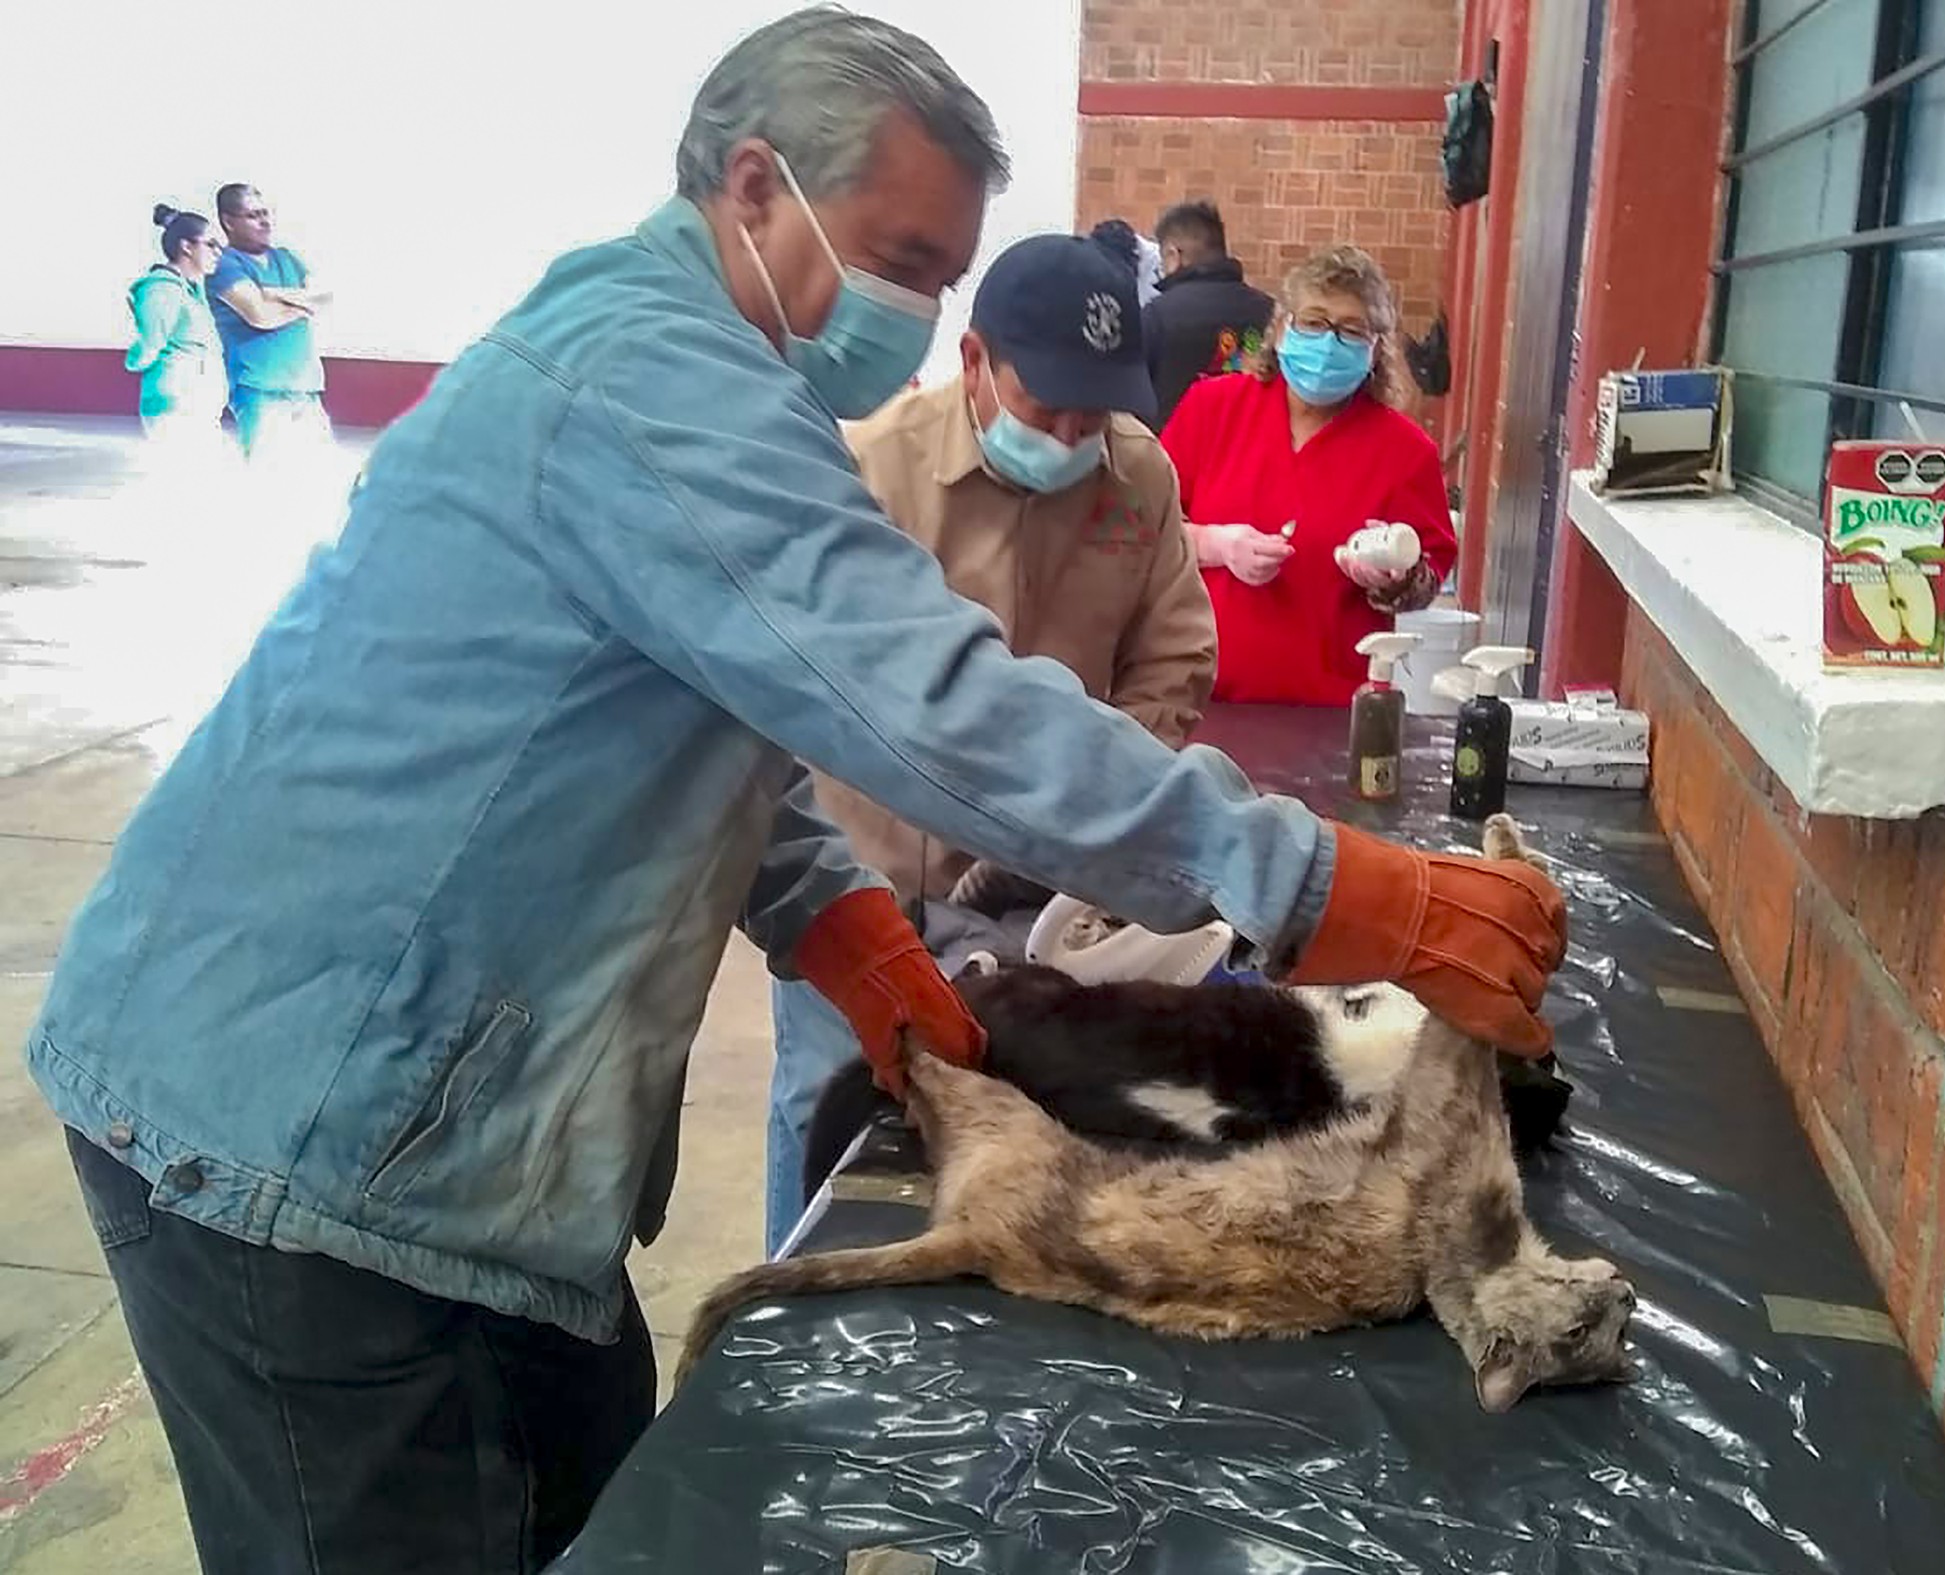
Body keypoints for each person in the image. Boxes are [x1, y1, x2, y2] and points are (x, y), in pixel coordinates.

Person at [28, 13, 1563, 1573]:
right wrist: (1316, 883)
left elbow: (712, 717)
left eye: (939, 273)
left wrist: (836, 916)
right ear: (754, 186)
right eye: (898, 253)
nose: (910, 306)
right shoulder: (646, 377)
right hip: (301, 1131)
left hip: (459, 1148)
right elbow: (927, 698)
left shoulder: (717, 380)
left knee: (617, 1512)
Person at [765, 230, 1215, 1248]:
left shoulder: (1136, 481)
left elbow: (1173, 659)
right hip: (860, 878)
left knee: (1015, 1129)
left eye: (1089, 413)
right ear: (973, 361)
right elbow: (802, 682)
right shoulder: (869, 468)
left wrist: (1094, 795)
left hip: (1034, 899)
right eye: (1041, 405)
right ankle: (785, 1346)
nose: (1065, 435)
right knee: (826, 1111)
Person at [1161, 244, 1457, 707]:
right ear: (1281, 329)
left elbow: (1427, 577)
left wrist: (1394, 580)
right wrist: (1216, 545)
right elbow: (1140, 531)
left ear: (1375, 349)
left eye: (1351, 330)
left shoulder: (1404, 452)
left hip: (1331, 712)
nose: (1329, 343)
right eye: (1315, 322)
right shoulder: (1212, 409)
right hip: (1198, 698)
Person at [208, 183, 331, 457]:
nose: (265, 222)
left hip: (306, 387)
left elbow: (325, 296)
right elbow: (259, 316)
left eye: (266, 213)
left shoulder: (286, 257)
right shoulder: (224, 265)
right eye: (253, 215)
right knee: (269, 477)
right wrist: (303, 305)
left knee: (317, 476)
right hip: (260, 389)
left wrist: (271, 294)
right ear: (228, 221)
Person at [1142, 199, 1275, 428]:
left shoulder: (1157, 315)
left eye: (1163, 259)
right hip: (1247, 450)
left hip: (1172, 454)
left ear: (1174, 256)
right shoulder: (1270, 311)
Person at [126, 205, 227, 445]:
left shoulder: (193, 291)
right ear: (187, 246)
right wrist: (135, 360)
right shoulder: (161, 289)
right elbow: (150, 345)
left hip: (197, 405)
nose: (219, 253)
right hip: (175, 407)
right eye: (211, 244)